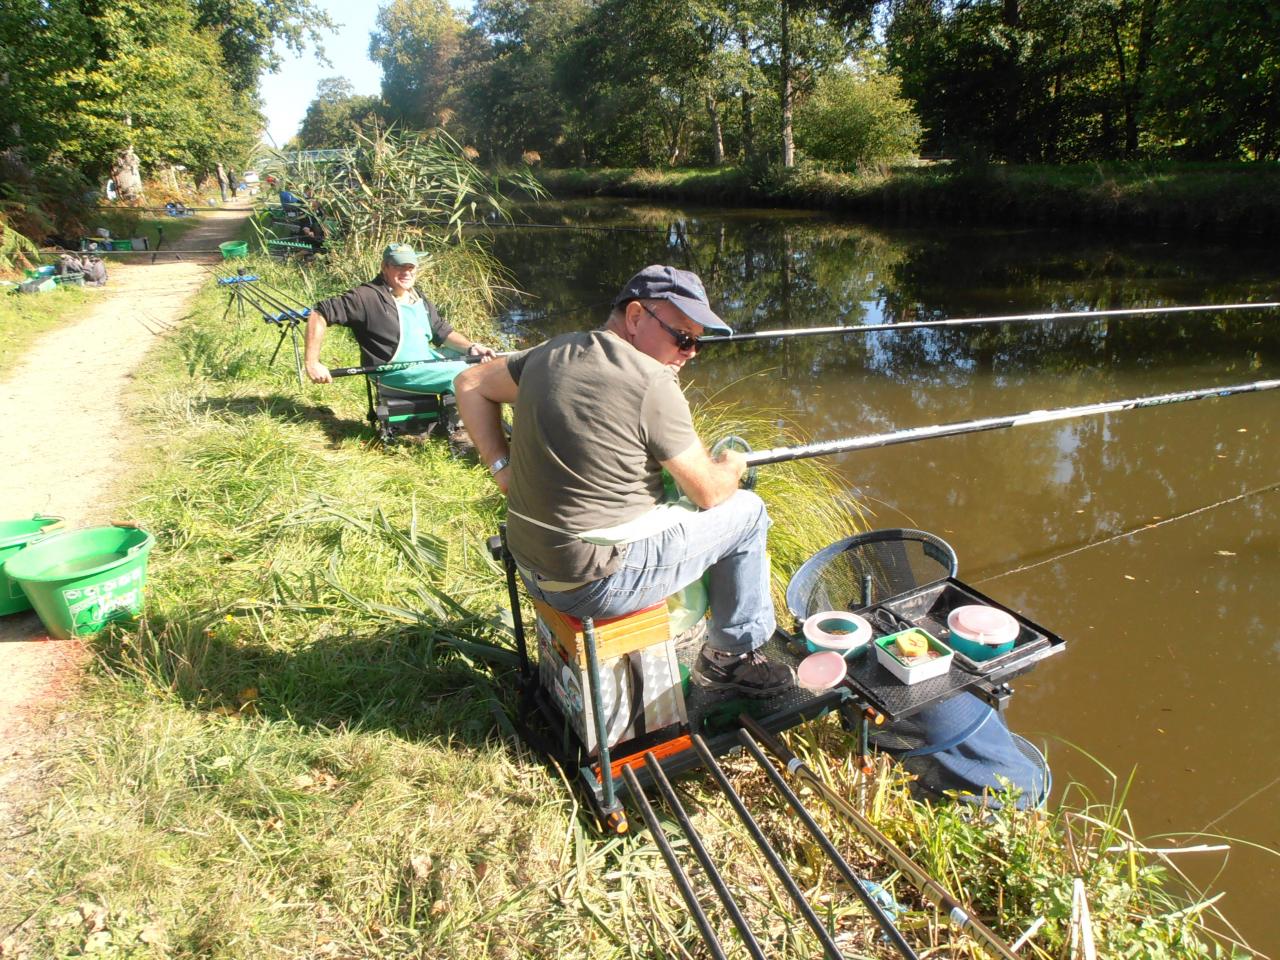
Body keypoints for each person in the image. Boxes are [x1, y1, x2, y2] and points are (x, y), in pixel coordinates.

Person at [455, 265, 793, 698]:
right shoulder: (652, 382)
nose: (691, 352)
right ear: (636, 317)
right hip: (596, 585)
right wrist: (732, 465)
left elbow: (469, 383)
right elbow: (708, 492)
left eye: (698, 342)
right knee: (747, 513)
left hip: (530, 563)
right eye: (683, 337)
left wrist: (501, 468)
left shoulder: (552, 351)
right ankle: (733, 656)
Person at [304, 243, 496, 403]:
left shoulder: (417, 296)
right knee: (467, 374)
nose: (406, 272)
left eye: (410, 267)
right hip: (393, 372)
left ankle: (460, 415)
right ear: (384, 267)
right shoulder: (366, 296)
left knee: (476, 362)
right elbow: (320, 313)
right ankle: (462, 431)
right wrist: (312, 363)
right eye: (399, 266)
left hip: (424, 362)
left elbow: (441, 331)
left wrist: (471, 348)